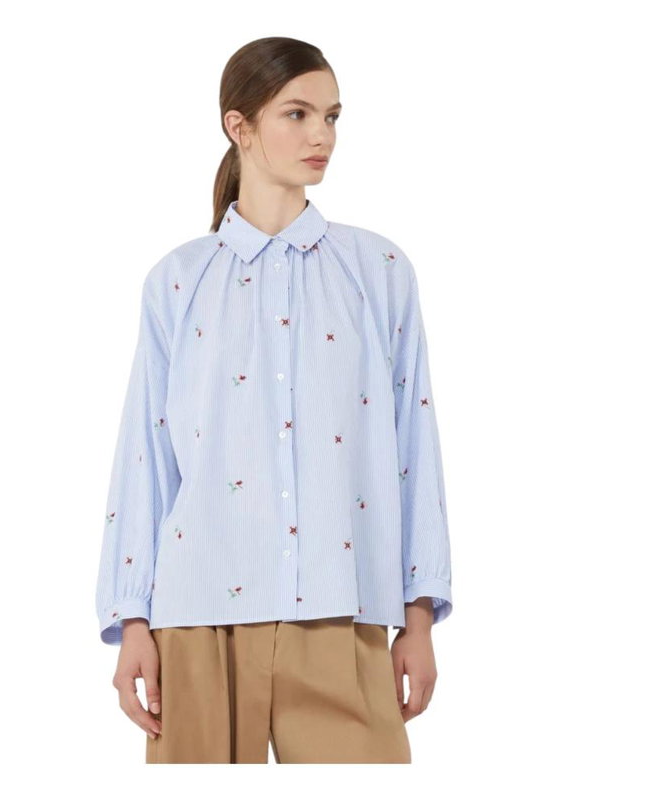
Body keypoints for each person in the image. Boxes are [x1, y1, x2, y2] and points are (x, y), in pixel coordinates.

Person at [94, 36, 453, 764]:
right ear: (240, 126)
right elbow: (146, 455)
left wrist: (418, 616)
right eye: (298, 113)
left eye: (332, 116)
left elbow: (414, 448)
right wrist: (132, 618)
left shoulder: (379, 270)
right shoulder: (178, 281)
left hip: (341, 606)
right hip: (197, 613)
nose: (323, 135)